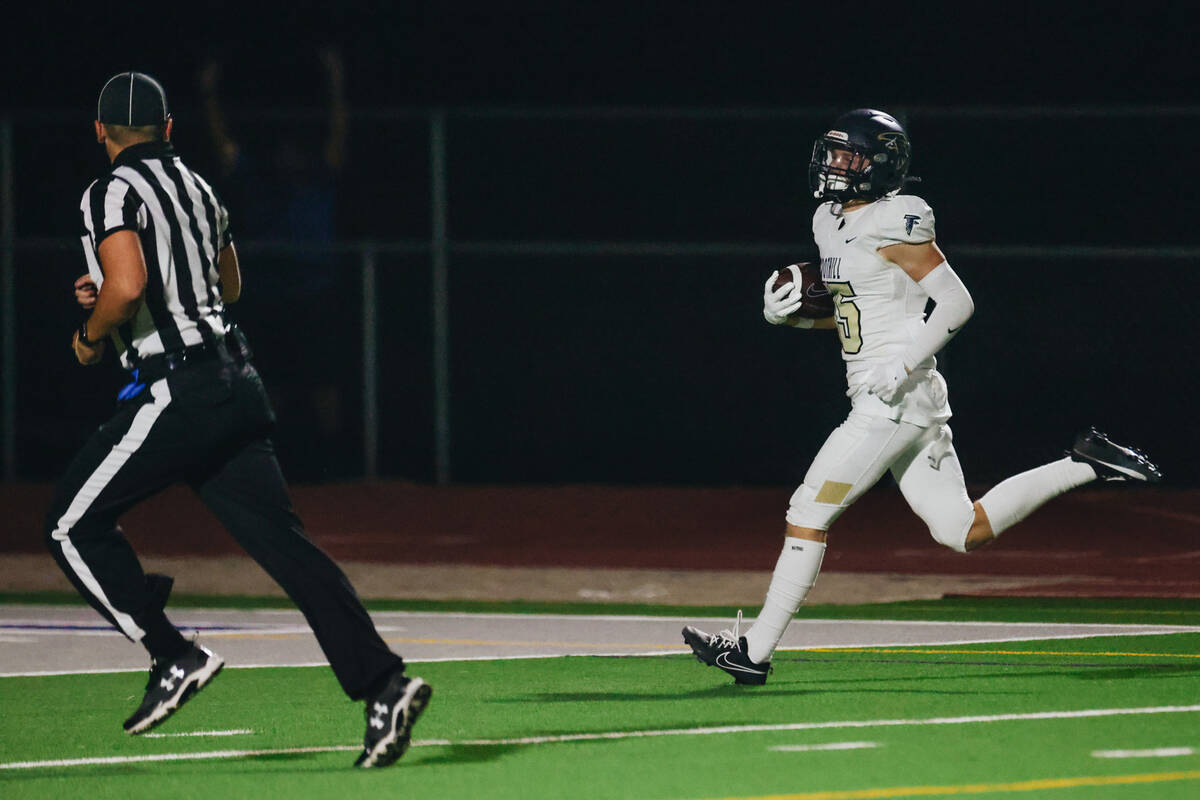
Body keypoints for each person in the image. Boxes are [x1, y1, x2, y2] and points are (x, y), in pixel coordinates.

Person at [681, 108, 1161, 685]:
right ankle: (1085, 462)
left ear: (879, 164)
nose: (834, 165)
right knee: (961, 529)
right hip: (901, 396)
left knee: (807, 513)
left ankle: (753, 653)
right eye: (831, 153)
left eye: (848, 156)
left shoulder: (895, 218)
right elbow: (857, 312)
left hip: (891, 400)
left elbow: (957, 303)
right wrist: (789, 318)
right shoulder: (828, 221)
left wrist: (903, 365)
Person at [48, 71, 429, 768]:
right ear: (168, 129)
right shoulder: (198, 186)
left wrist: (89, 332)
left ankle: (171, 653)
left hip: (180, 388)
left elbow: (127, 287)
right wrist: (115, 293)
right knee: (290, 551)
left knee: (70, 526)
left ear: (100, 131)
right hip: (237, 380)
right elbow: (228, 284)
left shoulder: (110, 192)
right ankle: (384, 684)